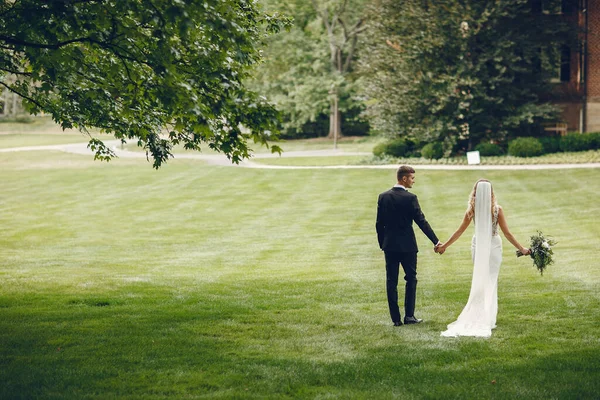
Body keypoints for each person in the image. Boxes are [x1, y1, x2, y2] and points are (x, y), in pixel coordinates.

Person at [436, 179, 531, 338]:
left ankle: (483, 315)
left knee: (481, 279)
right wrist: (521, 248)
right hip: (493, 245)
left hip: (478, 245)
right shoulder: (497, 210)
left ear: (475, 192)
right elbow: (507, 233)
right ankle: (487, 317)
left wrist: (445, 245)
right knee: (491, 280)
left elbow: (459, 231)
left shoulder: (472, 210)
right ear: (491, 192)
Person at [376, 165, 440, 326]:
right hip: (407, 247)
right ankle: (409, 316)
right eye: (412, 178)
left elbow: (379, 224)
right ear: (404, 178)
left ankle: (396, 319)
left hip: (389, 246)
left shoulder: (383, 197)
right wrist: (436, 241)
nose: (413, 181)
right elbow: (421, 221)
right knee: (411, 279)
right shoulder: (410, 198)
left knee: (391, 281)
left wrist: (382, 243)